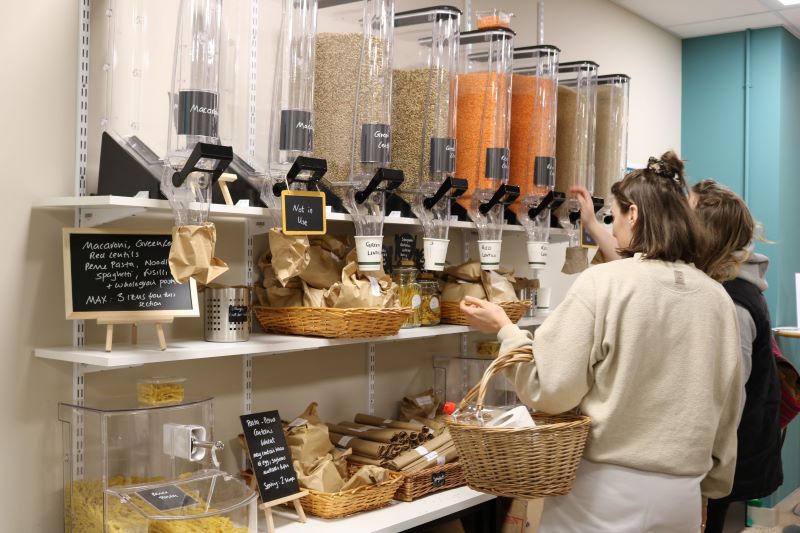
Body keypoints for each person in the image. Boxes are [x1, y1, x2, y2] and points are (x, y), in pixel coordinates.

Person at [460, 152, 743, 532]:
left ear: (635, 215)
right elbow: (728, 406)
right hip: (683, 497)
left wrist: (505, 331)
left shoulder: (605, 283)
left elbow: (553, 389)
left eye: (612, 216)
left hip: (605, 495)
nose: (614, 226)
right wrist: (708, 490)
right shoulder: (717, 299)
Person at [690, 179, 783, 533]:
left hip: (734, 457)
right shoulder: (733, 286)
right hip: (736, 451)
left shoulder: (734, 300)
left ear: (706, 234)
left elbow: (730, 394)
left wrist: (704, 459)